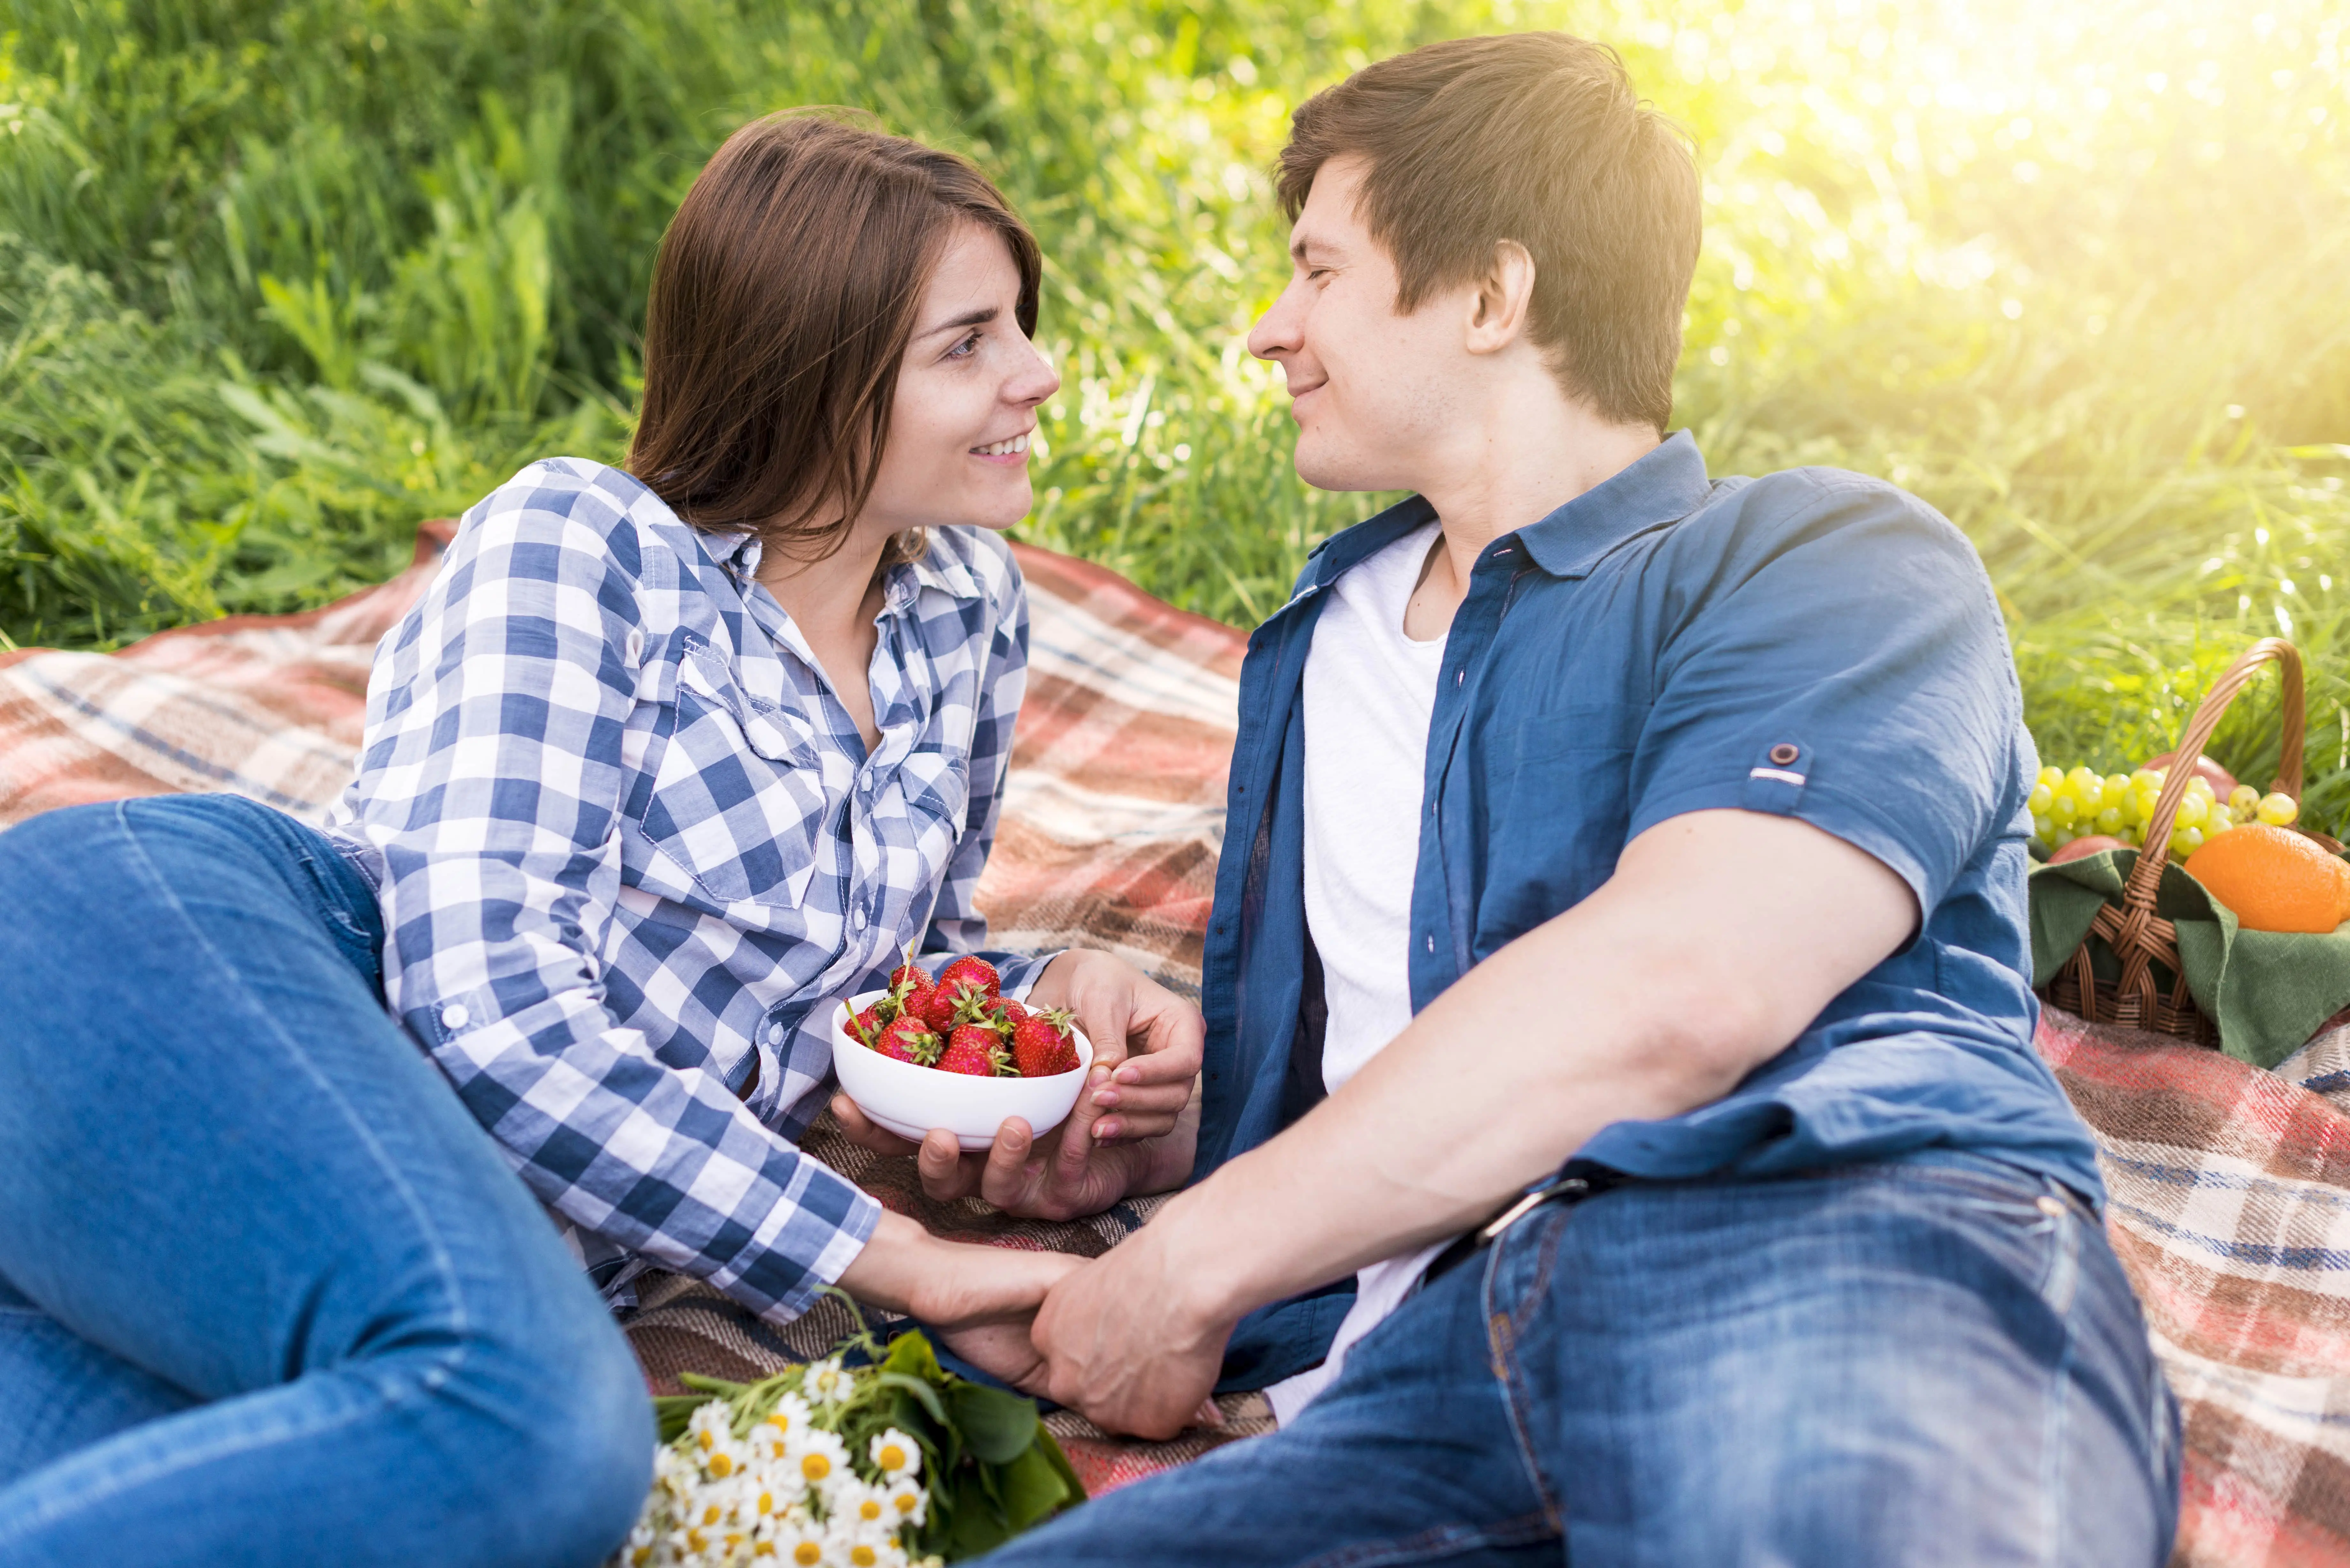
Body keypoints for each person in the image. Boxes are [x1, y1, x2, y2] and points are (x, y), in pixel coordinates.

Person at [978, 33, 2182, 1566]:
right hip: (1409, 1369)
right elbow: (1406, 1042)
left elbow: (1678, 984)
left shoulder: (1832, 565)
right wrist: (1166, 1137)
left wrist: (1187, 1264)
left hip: (1819, 1238)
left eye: (1317, 270)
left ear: (1491, 294)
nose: (1269, 331)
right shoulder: (1318, 644)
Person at [0, 113, 1201, 1567]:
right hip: (196, 965)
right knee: (551, 1439)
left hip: (291, 1208)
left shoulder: (969, 613)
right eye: (968, 342)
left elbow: (888, 982)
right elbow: (493, 1012)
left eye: (1021, 322)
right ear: (810, 365)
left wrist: (1047, 999)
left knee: (410, 1510)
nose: (1039, 371)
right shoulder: (584, 543)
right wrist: (917, 1271)